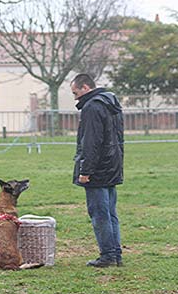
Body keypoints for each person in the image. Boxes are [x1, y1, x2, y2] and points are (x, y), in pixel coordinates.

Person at [71, 73, 124, 268]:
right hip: (112, 166)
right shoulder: (112, 105)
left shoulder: (92, 107)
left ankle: (108, 255)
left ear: (85, 87)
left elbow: (91, 142)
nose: (75, 97)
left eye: (75, 92)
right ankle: (115, 254)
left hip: (98, 170)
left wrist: (86, 171)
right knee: (110, 213)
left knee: (99, 214)